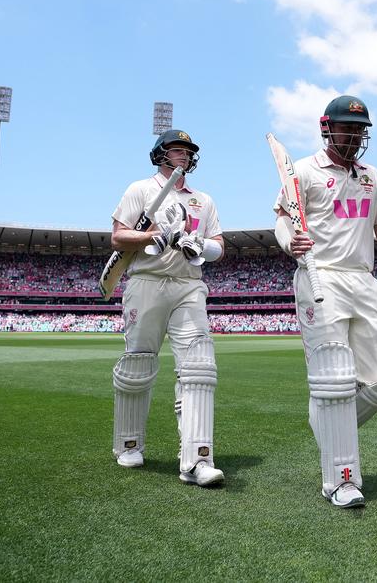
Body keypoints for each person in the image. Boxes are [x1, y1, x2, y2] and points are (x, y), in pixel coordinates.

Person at [273, 95, 377, 509]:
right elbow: (283, 220)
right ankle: (341, 481)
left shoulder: (372, 176)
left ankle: (325, 417)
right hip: (321, 276)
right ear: (328, 127)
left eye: (360, 129)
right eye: (348, 128)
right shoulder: (303, 171)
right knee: (335, 379)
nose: (355, 135)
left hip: (364, 280)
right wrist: (292, 242)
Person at [109, 129, 226, 487]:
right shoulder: (141, 190)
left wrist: (198, 244)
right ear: (160, 154)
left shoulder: (202, 200)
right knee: (138, 363)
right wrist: (152, 237)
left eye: (187, 152)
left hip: (189, 286)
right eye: (176, 150)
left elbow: (219, 246)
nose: (183, 156)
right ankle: (129, 444)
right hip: (146, 282)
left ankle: (197, 459)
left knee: (198, 368)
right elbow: (118, 235)